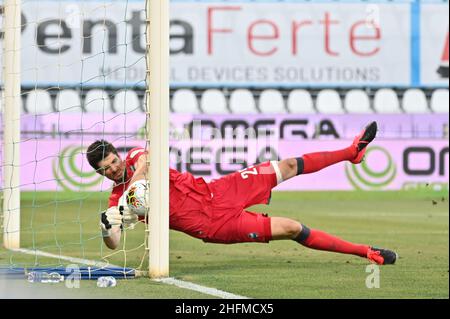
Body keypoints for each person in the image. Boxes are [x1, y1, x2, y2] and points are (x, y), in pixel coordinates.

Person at [86, 121, 397, 265]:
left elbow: (146, 160)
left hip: (222, 190)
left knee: (287, 165)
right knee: (291, 228)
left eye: (113, 162)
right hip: (213, 226)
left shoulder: (136, 159)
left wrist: (136, 181)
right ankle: (365, 251)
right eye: (106, 170)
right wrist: (106, 227)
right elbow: (114, 241)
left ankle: (351, 152)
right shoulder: (117, 202)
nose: (113, 170)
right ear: (100, 174)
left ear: (117, 154)